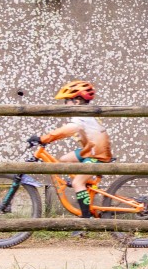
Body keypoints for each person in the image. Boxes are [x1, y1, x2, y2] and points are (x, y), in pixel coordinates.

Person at [29, 81, 112, 218]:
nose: (65, 104)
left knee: (77, 182)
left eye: (66, 100)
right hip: (90, 151)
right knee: (64, 159)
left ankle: (86, 219)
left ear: (77, 101)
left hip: (97, 155)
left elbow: (67, 130)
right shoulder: (84, 114)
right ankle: (84, 185)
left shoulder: (82, 116)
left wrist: (43, 139)